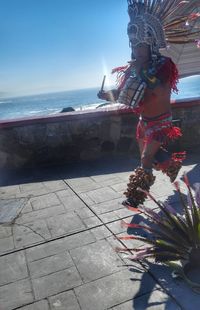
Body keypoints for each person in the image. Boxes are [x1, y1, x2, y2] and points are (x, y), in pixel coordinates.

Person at [97, 0, 200, 207]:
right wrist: (108, 95)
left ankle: (134, 198)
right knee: (151, 157)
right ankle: (172, 166)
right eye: (134, 46)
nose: (137, 50)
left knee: (145, 159)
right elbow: (126, 94)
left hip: (160, 122)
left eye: (141, 45)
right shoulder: (133, 68)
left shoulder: (164, 65)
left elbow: (159, 90)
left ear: (151, 43)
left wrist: (140, 70)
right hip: (143, 122)